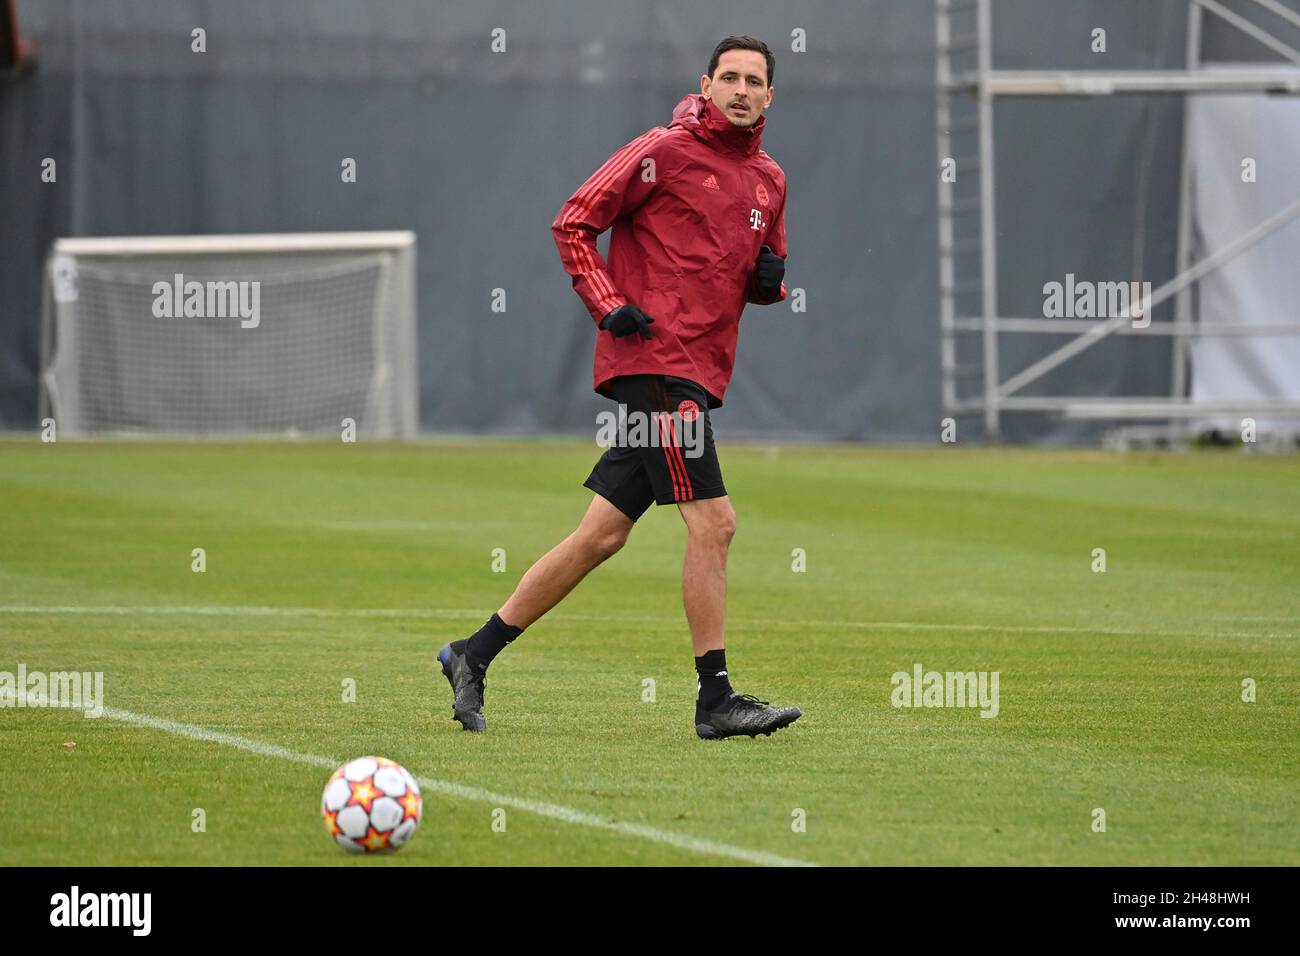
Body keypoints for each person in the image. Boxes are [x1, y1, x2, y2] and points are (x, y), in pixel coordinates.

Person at [439, 35, 802, 740]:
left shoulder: (770, 181)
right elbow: (574, 221)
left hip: (700, 369)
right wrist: (608, 304)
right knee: (716, 523)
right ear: (705, 84)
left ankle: (470, 655)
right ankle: (715, 701)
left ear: (768, 97)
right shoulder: (661, 150)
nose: (739, 88)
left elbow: (765, 270)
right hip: (657, 365)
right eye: (727, 76)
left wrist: (773, 284)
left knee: (601, 536)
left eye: (753, 80)